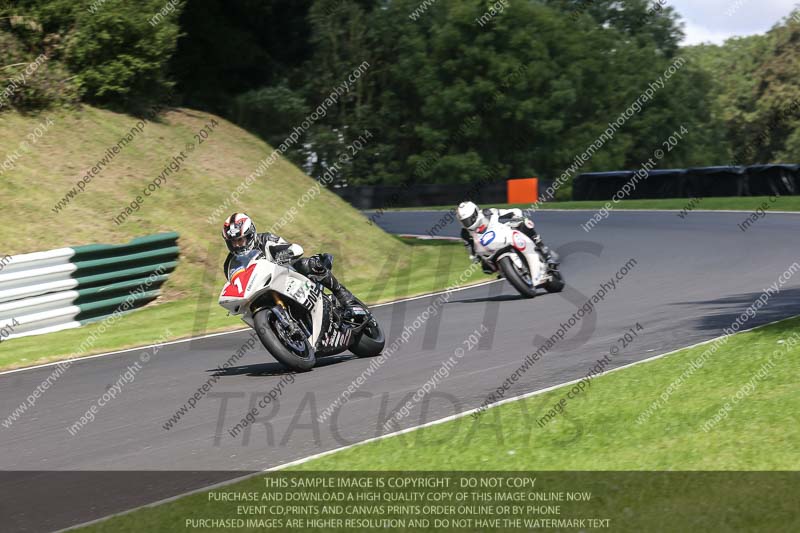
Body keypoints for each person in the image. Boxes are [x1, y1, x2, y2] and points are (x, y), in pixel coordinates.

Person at [221, 212, 356, 307]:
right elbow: (236, 283)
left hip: (287, 278)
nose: (237, 245)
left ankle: (342, 294)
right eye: (233, 242)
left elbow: (293, 249)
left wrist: (283, 256)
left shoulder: (266, 240)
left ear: (250, 235)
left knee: (305, 264)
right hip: (260, 291)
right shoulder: (230, 263)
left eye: (240, 240)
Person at [456, 201, 557, 273]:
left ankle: (545, 253)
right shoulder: (465, 233)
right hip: (490, 251)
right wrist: (475, 257)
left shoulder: (488, 213)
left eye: (468, 220)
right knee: (486, 268)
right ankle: (506, 271)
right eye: (464, 221)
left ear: (475, 213)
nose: (467, 223)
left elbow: (510, 212)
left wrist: (515, 215)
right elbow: (470, 249)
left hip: (503, 234)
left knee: (524, 224)